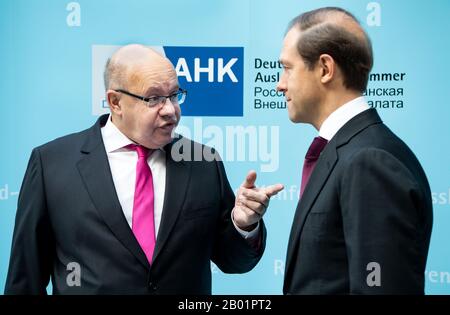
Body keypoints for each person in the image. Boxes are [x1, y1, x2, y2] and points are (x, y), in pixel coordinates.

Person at [5, 44, 284, 294]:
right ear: (115, 102)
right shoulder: (52, 162)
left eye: (174, 95)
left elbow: (232, 260)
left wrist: (244, 224)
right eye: (153, 99)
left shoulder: (203, 161)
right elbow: (25, 278)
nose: (170, 110)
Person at [277, 7, 432, 294]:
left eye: (287, 68)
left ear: (325, 69)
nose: (279, 84)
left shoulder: (370, 161)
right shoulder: (353, 151)